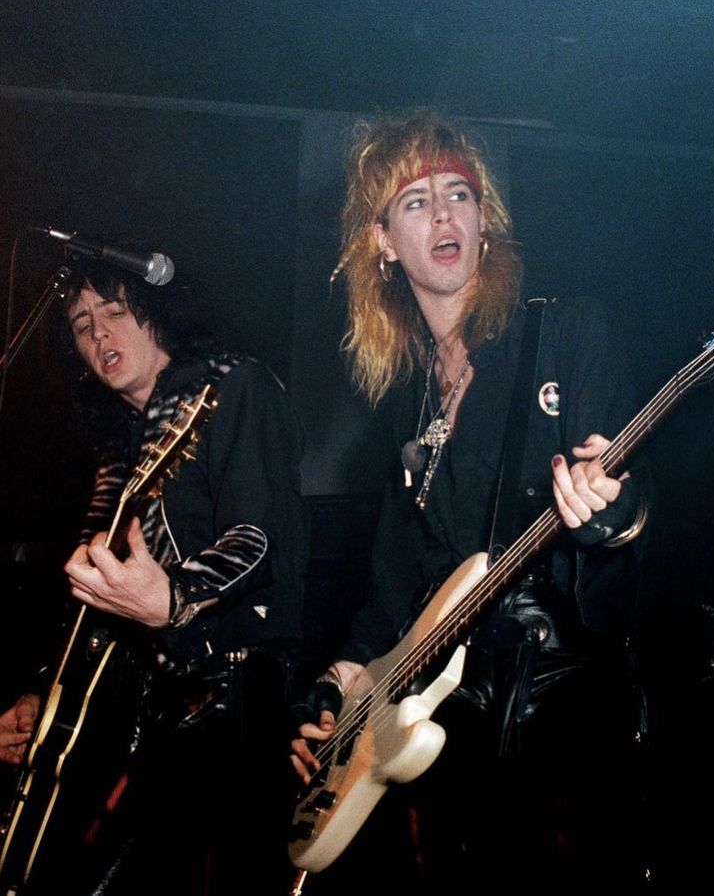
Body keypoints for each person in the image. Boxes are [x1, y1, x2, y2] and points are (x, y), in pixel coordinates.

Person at [290, 110, 649, 892]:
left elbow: (621, 570)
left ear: (485, 223)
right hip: (454, 730)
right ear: (382, 243)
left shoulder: (565, 335)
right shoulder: (408, 400)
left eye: (459, 193)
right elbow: (396, 587)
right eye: (415, 202)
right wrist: (341, 681)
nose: (444, 213)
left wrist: (612, 517)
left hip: (561, 717)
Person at [0, 254, 309, 895]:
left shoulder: (231, 384)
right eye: (82, 325)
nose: (99, 335)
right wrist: (47, 691)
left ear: (160, 313)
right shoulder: (119, 444)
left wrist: (173, 598)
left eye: (115, 311)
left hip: (229, 698)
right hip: (139, 705)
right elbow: (92, 596)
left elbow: (260, 540)